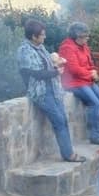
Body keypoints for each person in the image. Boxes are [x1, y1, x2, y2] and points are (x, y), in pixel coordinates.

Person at [18, 19, 85, 163]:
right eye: (42, 35)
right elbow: (37, 73)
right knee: (59, 120)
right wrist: (56, 72)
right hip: (40, 92)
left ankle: (69, 152)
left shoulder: (40, 47)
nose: (44, 37)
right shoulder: (25, 50)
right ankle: (68, 154)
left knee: (63, 119)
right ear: (33, 36)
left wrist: (57, 64)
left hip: (53, 89)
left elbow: (49, 64)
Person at [58, 22, 99, 145]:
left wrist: (94, 70)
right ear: (77, 36)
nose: (87, 39)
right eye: (85, 36)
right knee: (94, 103)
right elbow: (74, 69)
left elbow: (90, 62)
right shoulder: (67, 48)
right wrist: (90, 74)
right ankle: (94, 135)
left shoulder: (84, 46)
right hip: (73, 82)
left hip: (87, 80)